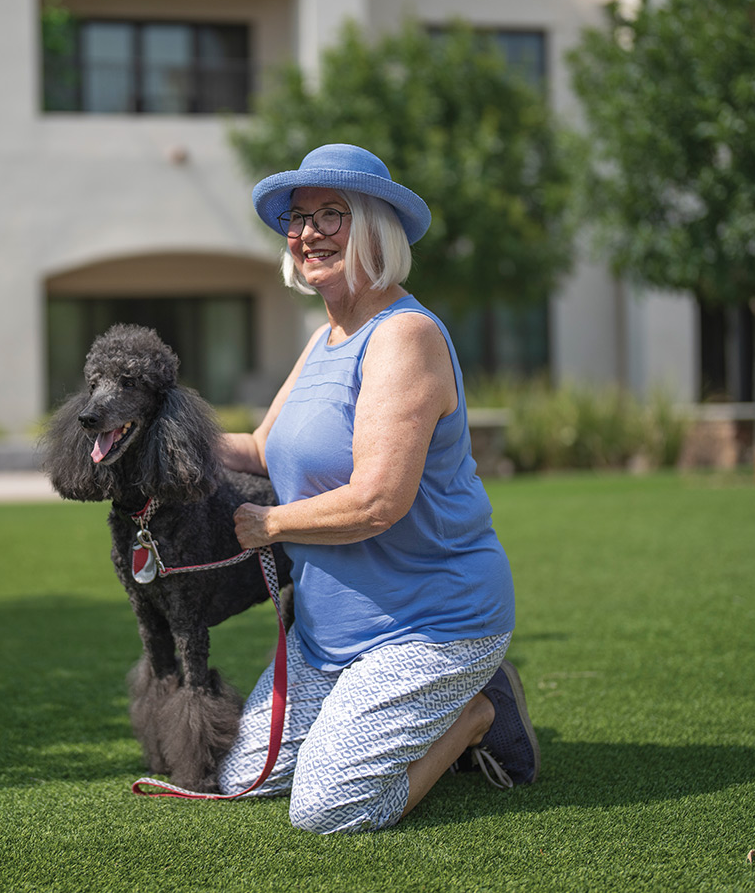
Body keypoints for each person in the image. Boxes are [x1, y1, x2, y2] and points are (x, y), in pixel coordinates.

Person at [217, 143, 539, 834]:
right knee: (244, 777)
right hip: (328, 636)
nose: (309, 233)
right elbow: (256, 449)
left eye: (333, 214)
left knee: (330, 807)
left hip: (431, 624)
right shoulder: (325, 335)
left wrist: (272, 526)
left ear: (378, 230)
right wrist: (155, 437)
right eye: (298, 219)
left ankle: (475, 711)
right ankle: (378, 711)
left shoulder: (405, 336)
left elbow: (377, 502)